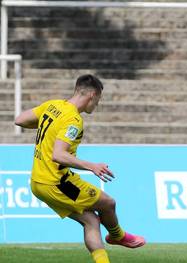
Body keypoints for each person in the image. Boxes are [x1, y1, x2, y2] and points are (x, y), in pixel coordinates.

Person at [14, 74, 145, 263]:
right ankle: (117, 235)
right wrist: (91, 166)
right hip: (55, 182)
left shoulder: (53, 105)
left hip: (37, 181)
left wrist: (48, 126)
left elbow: (20, 119)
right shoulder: (73, 120)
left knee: (91, 220)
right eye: (98, 100)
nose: (97, 105)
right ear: (92, 95)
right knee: (108, 203)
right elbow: (58, 155)